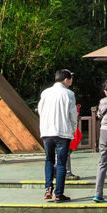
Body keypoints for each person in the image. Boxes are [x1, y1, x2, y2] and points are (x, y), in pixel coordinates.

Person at [36, 70, 77, 202]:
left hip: (47, 131)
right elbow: (73, 115)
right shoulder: (69, 94)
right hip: (62, 132)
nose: (71, 81)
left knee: (49, 160)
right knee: (61, 163)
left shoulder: (45, 92)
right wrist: (73, 129)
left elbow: (40, 111)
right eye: (70, 79)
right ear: (65, 79)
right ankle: (58, 193)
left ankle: (48, 188)